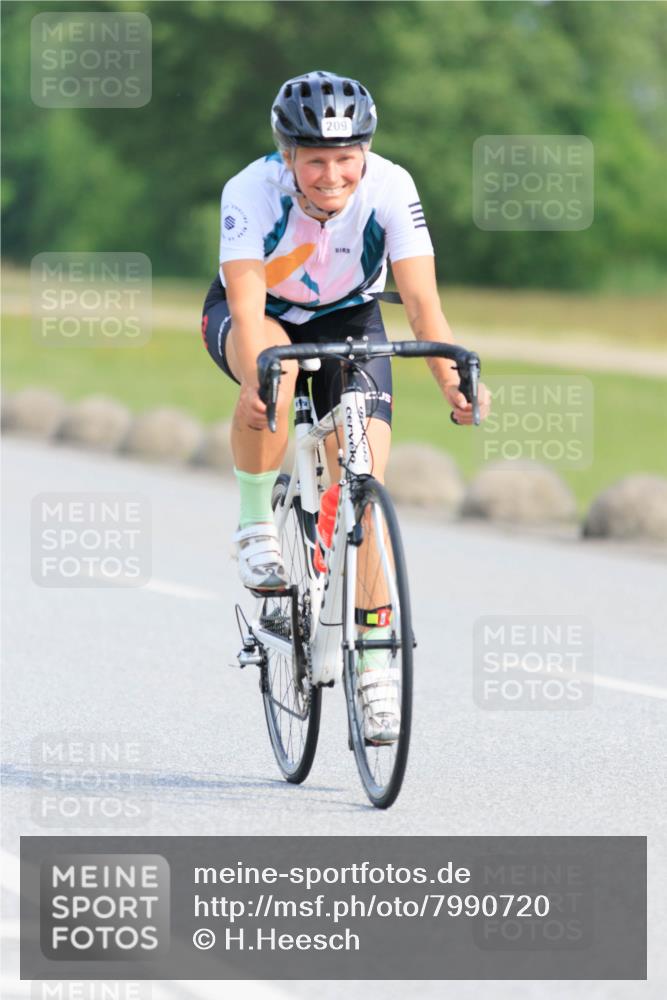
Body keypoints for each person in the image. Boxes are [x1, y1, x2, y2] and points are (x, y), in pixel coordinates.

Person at [202, 70, 490, 741]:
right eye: (316, 161)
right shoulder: (249, 190)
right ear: (288, 157)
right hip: (261, 317)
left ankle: (375, 668)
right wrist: (254, 375)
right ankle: (255, 527)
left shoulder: (391, 185)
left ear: (364, 151)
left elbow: (422, 304)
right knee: (277, 375)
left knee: (364, 489)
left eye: (345, 159)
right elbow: (244, 305)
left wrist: (450, 374)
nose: (332, 175)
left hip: (350, 319)